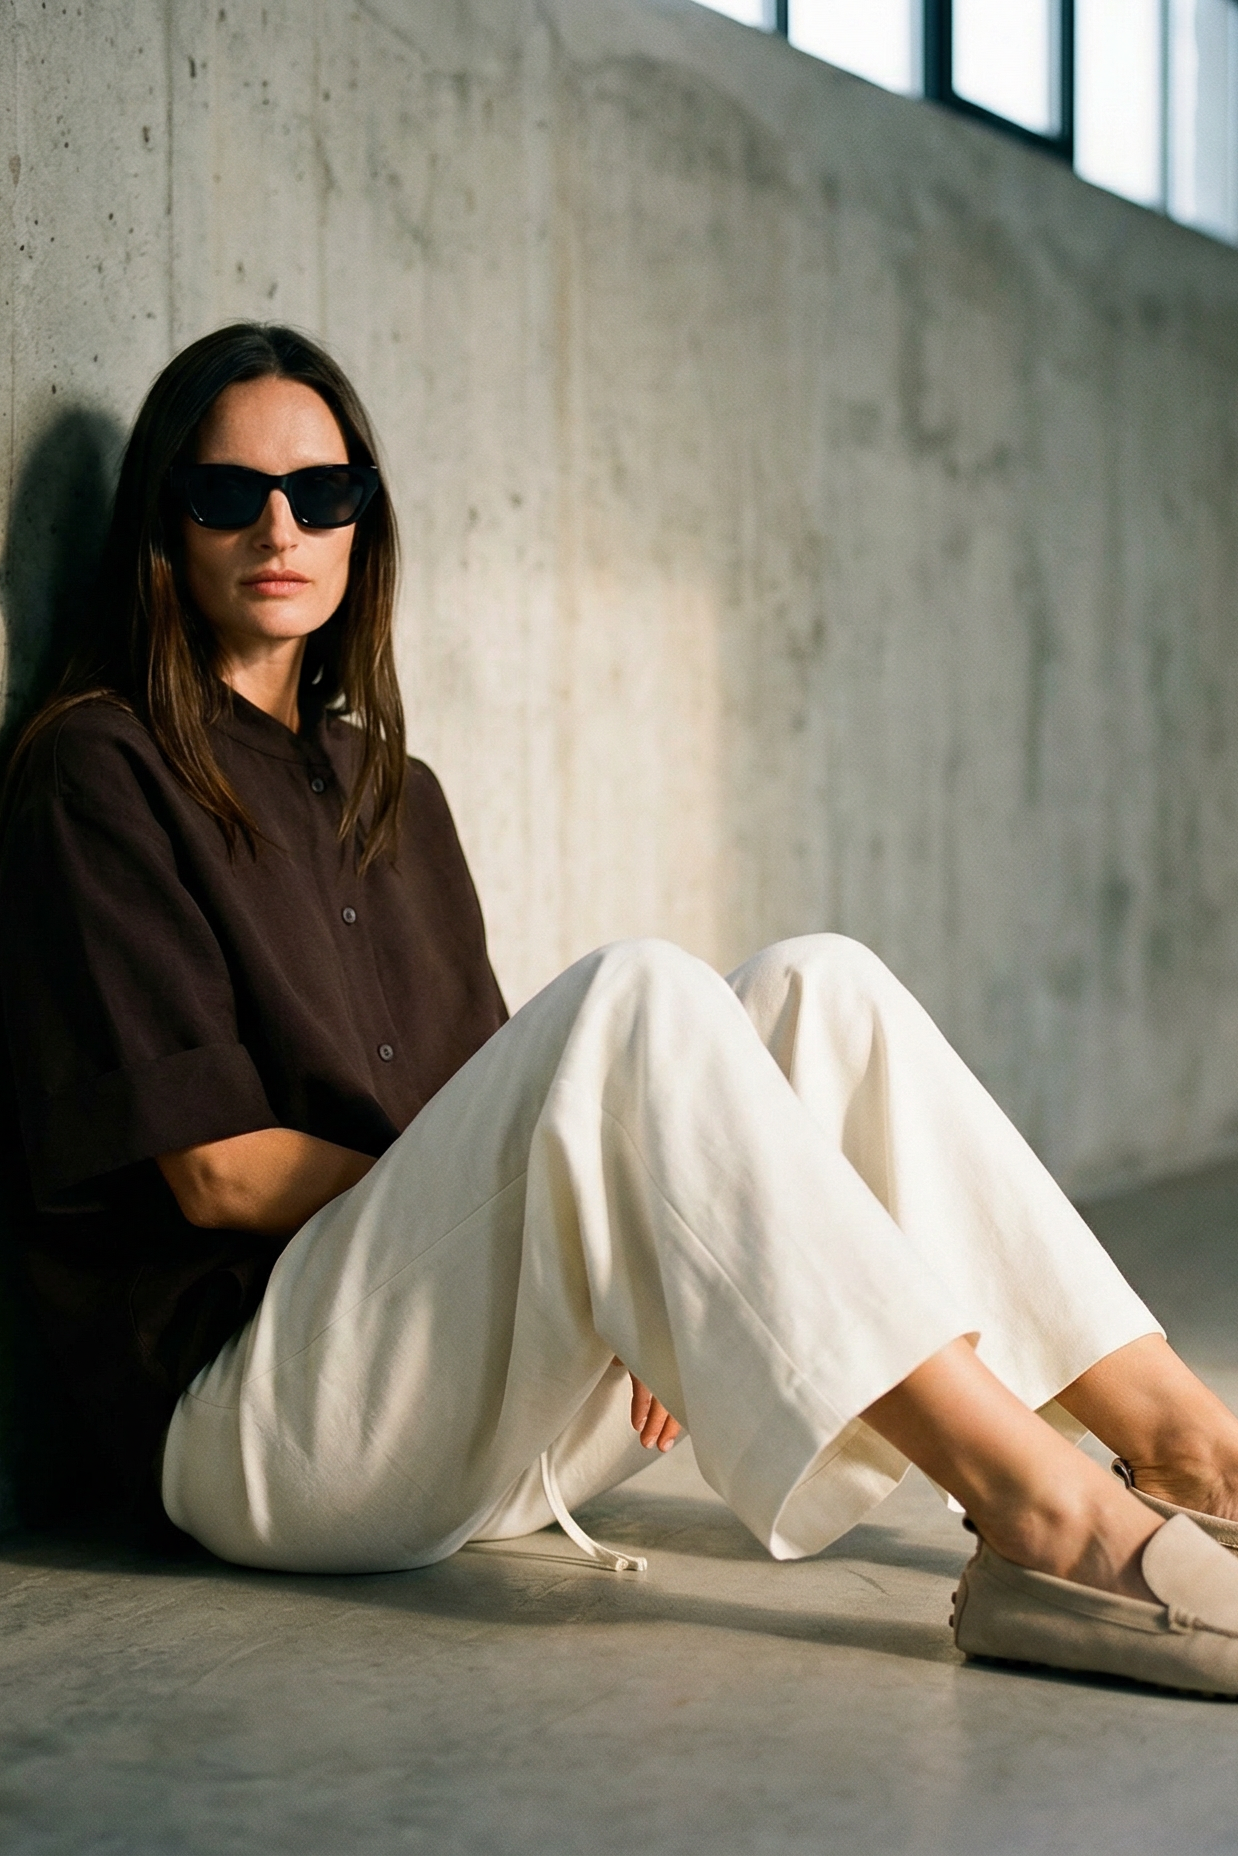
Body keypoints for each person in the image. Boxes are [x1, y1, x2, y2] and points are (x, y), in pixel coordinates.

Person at [6, 323, 1238, 1698]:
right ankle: (1049, 1521)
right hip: (266, 1428)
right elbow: (217, 1172)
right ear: (164, 528)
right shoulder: (96, 766)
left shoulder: (388, 790)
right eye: (227, 493)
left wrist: (632, 1236)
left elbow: (480, 1118)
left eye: (324, 492)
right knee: (635, 995)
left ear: (367, 522)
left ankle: (1189, 1452)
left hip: (470, 1419)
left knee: (817, 987)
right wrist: (596, 1221)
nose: (280, 527)